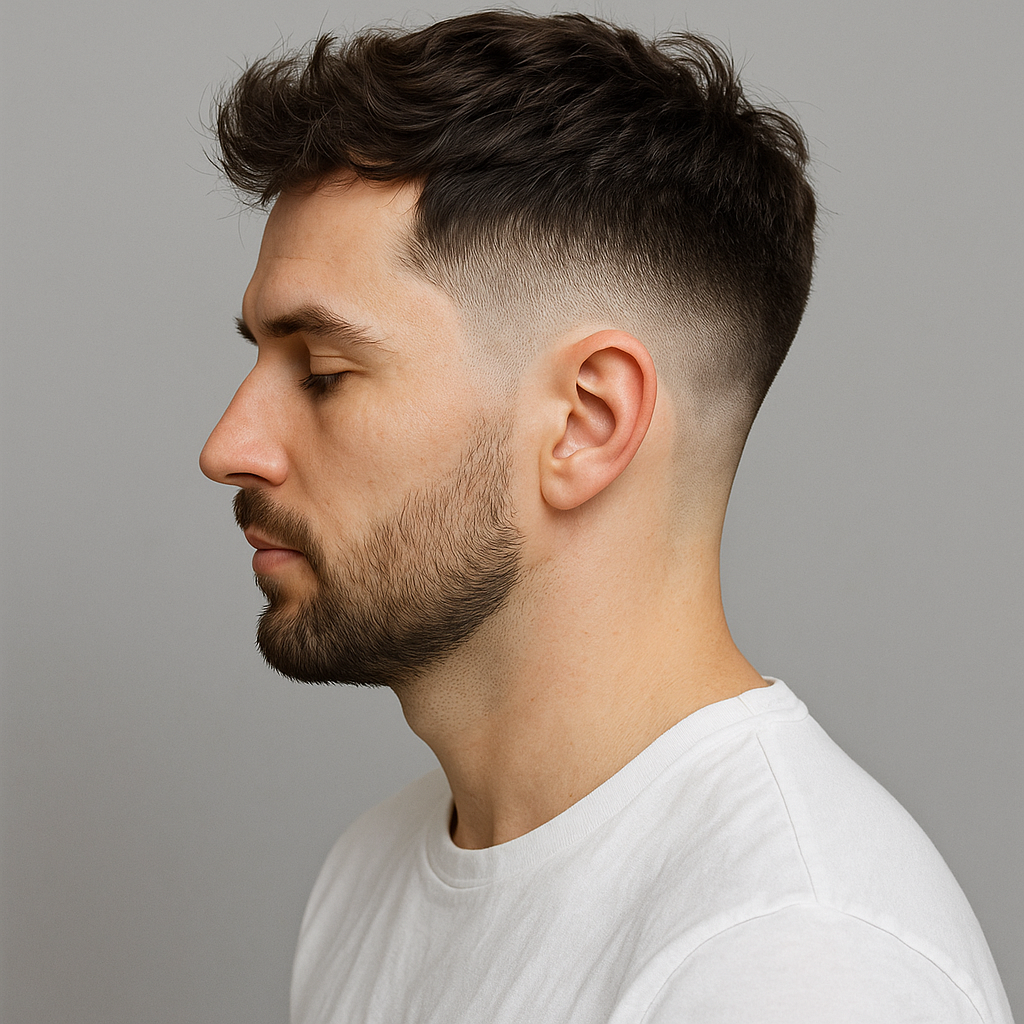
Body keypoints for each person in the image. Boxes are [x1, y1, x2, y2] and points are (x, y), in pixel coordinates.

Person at [199, 12, 1012, 1023]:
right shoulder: (369, 874)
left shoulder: (792, 965)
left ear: (586, 422)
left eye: (322, 373)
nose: (229, 445)